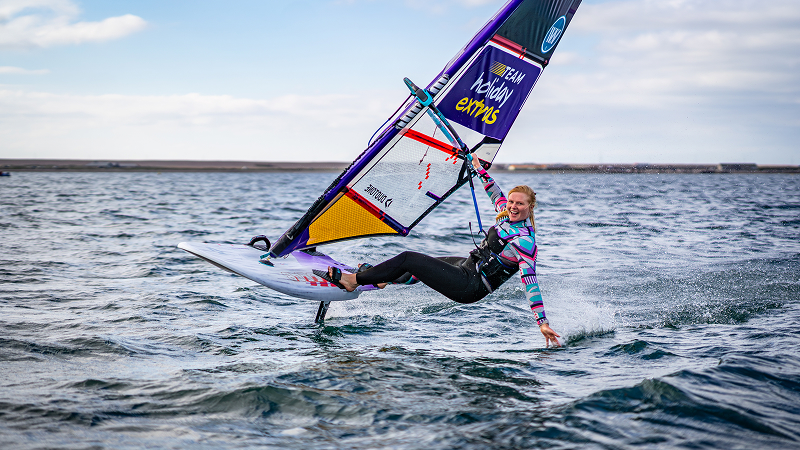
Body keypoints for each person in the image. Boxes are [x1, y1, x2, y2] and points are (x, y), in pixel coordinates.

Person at [327, 156, 560, 347]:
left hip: (471, 286)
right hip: (469, 266)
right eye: (511, 202)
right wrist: (478, 168)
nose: (513, 206)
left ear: (530, 208)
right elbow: (494, 193)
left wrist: (542, 322)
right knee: (422, 268)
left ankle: (353, 280)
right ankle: (382, 281)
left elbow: (531, 282)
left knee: (410, 259)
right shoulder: (506, 214)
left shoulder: (526, 242)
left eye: (520, 204)